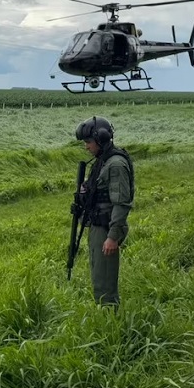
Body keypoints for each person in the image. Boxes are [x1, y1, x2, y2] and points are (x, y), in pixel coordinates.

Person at [75, 116, 135, 307]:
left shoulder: (115, 164)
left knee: (105, 283)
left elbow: (122, 203)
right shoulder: (102, 161)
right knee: (98, 276)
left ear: (100, 138)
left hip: (107, 228)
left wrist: (112, 236)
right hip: (98, 225)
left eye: (88, 142)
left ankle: (111, 324)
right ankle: (105, 315)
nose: (87, 147)